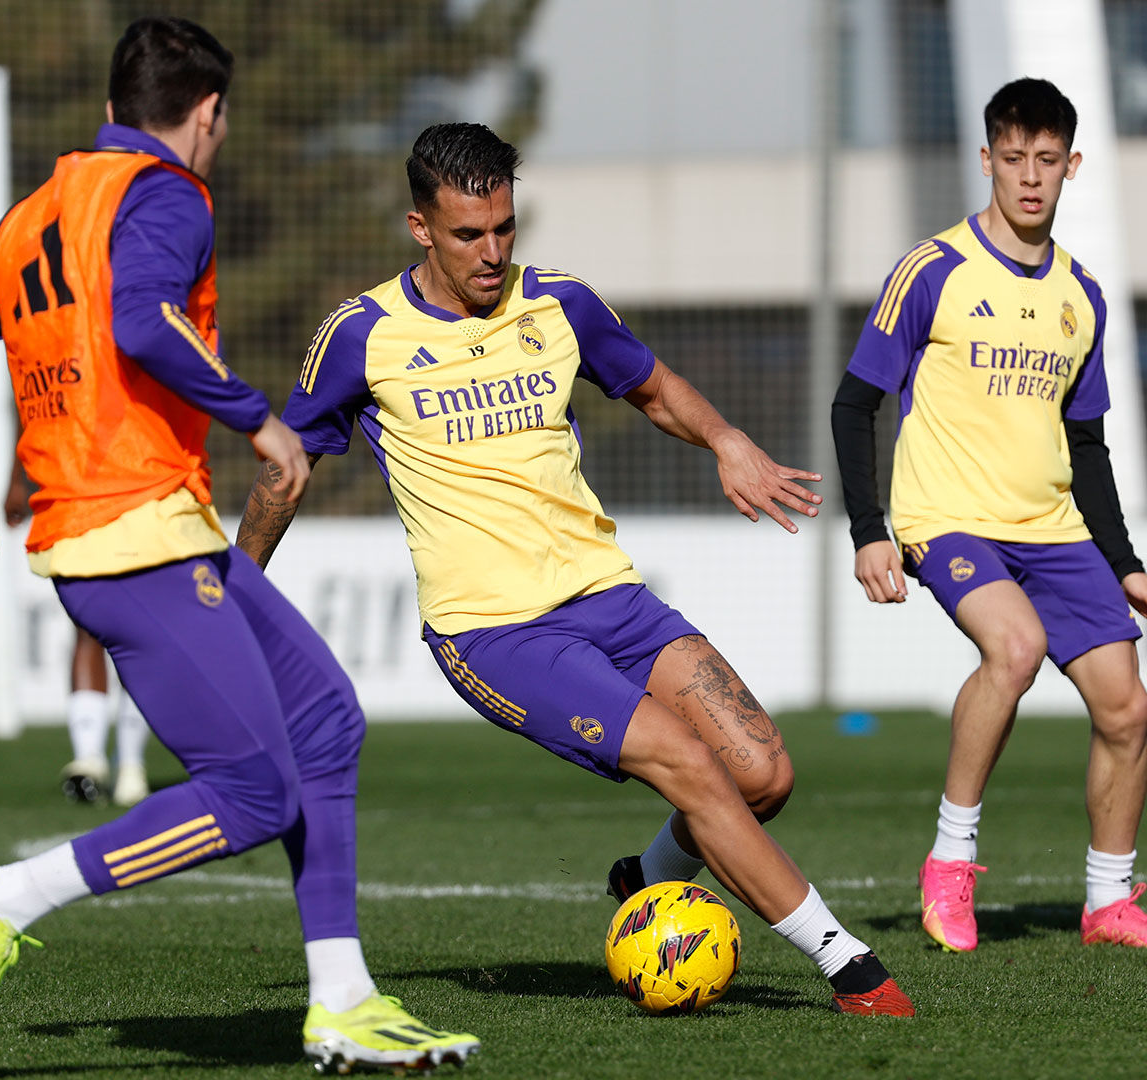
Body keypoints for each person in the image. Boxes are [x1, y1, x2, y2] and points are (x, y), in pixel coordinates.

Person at [233, 121, 916, 1017]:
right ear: (420, 228)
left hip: (610, 598)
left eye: (505, 228)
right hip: (494, 629)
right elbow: (287, 471)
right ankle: (850, 968)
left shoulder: (560, 303)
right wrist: (231, 594)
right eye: (468, 234)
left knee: (761, 776)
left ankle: (650, 874)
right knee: (691, 767)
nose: (492, 251)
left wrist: (725, 439)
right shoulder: (363, 335)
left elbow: (652, 386)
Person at [0, 17, 479, 1069]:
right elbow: (139, 320)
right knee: (256, 790)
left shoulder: (33, 213)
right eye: (221, 120)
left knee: (324, 723)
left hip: (127, 527)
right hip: (131, 533)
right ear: (206, 114)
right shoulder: (166, 193)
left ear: (115, 103)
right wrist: (257, 419)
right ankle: (8, 895)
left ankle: (343, 998)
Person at [831, 78, 1147, 955]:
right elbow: (854, 405)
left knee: (1126, 707)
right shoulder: (932, 270)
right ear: (987, 159)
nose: (1031, 178)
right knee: (1016, 647)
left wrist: (1126, 564)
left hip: (1055, 530)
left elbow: (1089, 445)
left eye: (1048, 161)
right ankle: (949, 867)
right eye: (1014, 159)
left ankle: (1109, 903)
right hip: (947, 518)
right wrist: (870, 529)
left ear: (1073, 166)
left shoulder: (1083, 296)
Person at [8, 470, 151, 805]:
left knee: (134, 626)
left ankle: (128, 762)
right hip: (82, 489)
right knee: (94, 622)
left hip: (138, 483)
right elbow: (34, 415)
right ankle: (96, 760)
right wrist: (17, 478)